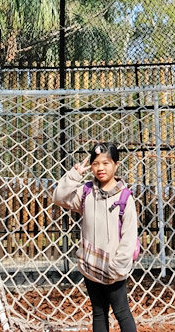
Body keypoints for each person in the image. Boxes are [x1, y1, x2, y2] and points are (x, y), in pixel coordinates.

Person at [53, 141, 138, 332]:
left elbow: (129, 237)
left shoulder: (124, 198)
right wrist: (75, 175)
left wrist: (117, 266)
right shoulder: (86, 193)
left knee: (122, 311)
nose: (100, 168)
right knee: (99, 312)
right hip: (91, 265)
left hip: (114, 269)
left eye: (106, 163)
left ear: (116, 165)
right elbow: (59, 197)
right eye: (96, 163)